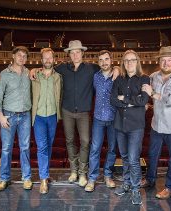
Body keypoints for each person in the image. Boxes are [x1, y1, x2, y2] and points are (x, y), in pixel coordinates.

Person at [31, 40, 119, 187]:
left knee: (85, 141)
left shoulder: (92, 68)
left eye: (78, 51)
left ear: (82, 53)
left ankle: (83, 172)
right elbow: (47, 67)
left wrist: (117, 68)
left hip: (84, 112)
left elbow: (107, 68)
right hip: (67, 111)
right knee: (70, 141)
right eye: (72, 52)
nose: (75, 54)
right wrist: (33, 70)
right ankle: (74, 171)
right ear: (69, 55)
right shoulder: (62, 68)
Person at [141, 46, 171, 199]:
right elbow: (147, 93)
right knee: (152, 155)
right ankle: (150, 180)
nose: (166, 63)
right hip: (157, 124)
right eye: (163, 60)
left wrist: (154, 94)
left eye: (169, 60)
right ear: (159, 61)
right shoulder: (153, 76)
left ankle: (170, 187)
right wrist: (147, 104)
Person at [111, 50, 150, 205]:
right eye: (126, 61)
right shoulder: (119, 80)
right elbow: (113, 100)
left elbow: (143, 100)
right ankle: (126, 183)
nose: (129, 63)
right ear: (123, 63)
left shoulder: (144, 78)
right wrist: (132, 101)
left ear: (137, 61)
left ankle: (135, 188)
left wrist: (124, 99)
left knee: (134, 159)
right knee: (125, 157)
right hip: (120, 125)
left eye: (132, 60)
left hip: (136, 126)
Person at [0, 46, 32, 192]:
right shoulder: (4, 74)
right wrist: (1, 117)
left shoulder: (28, 72)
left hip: (25, 115)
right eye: (19, 55)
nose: (22, 58)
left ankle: (26, 178)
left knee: (25, 147)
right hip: (8, 115)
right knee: (6, 148)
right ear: (13, 56)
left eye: (24, 56)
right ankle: (4, 179)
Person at [84, 50, 117, 192]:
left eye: (106, 59)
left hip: (114, 118)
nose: (104, 62)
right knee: (95, 148)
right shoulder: (95, 77)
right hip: (98, 118)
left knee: (112, 148)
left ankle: (108, 176)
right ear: (98, 62)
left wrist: (118, 69)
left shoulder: (118, 76)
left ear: (111, 60)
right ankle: (92, 178)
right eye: (101, 60)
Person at [31, 48, 62, 194]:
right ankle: (43, 179)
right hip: (38, 117)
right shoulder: (34, 75)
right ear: (41, 60)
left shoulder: (59, 77)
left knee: (49, 146)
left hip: (52, 116)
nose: (48, 60)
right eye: (45, 58)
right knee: (42, 147)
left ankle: (46, 173)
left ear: (54, 59)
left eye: (50, 58)